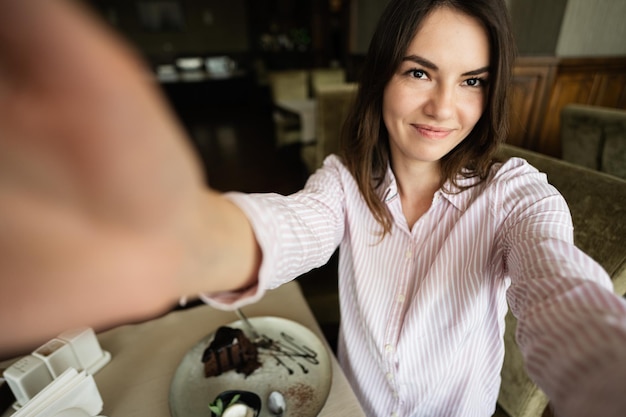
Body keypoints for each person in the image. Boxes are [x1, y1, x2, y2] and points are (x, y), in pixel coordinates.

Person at [1, 0, 625, 416]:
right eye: (418, 72)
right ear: (381, 75)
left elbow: (560, 290)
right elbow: (295, 225)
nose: (443, 107)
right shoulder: (345, 182)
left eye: (472, 81)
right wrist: (187, 237)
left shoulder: (513, 195)